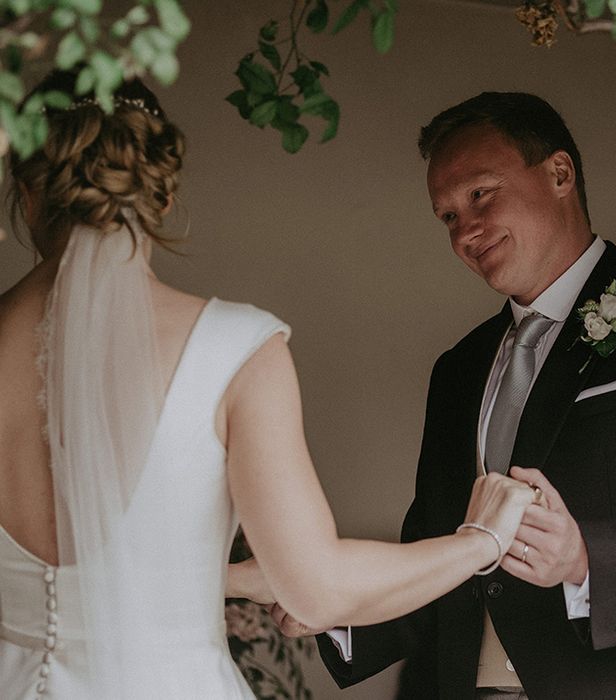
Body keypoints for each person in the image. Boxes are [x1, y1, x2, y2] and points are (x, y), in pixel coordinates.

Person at [0, 74, 540, 699]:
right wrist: (481, 542)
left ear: (26, 190)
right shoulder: (232, 349)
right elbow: (319, 588)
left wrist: (227, 576)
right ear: (162, 194)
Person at [268, 92, 616, 698]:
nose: (465, 232)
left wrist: (588, 560)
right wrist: (335, 607)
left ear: (560, 173)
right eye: (448, 216)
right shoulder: (459, 368)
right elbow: (439, 553)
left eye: (480, 194)